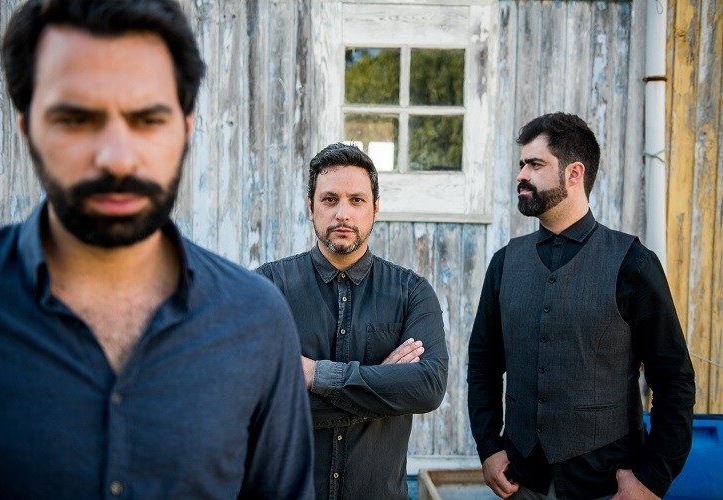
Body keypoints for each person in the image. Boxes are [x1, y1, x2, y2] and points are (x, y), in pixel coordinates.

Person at [0, 1, 314, 498]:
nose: (117, 159)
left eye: (148, 119)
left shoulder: (257, 320)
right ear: (28, 130)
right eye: (76, 119)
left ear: (186, 128)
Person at [468, 112, 695, 500]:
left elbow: (674, 379)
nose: (521, 175)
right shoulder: (505, 263)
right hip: (521, 480)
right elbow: (483, 363)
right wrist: (488, 447)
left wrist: (653, 478)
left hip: (608, 482)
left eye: (535, 164)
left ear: (574, 174)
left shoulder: (633, 263)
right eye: (521, 164)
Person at [256, 143, 449, 499]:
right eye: (330, 199)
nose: (342, 213)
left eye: (356, 200)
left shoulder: (412, 292)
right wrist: (381, 385)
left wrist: (316, 375)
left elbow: (428, 386)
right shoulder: (267, 287)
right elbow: (255, 396)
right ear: (310, 206)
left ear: (375, 208)